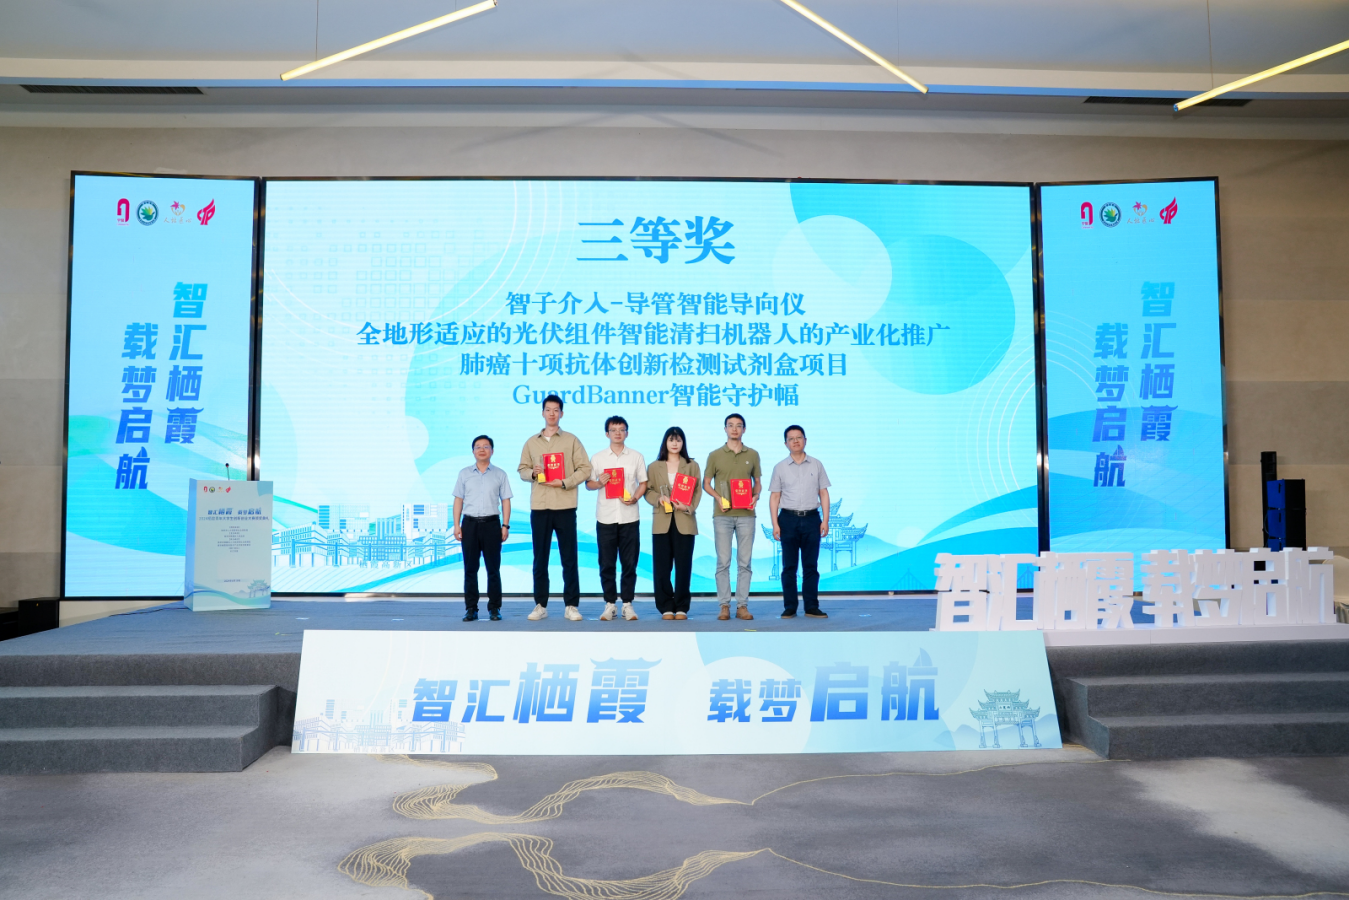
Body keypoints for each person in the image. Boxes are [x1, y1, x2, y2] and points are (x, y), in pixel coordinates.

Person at [516, 394, 591, 621]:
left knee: (569, 558)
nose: (552, 413)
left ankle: (571, 606)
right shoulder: (531, 442)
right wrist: (533, 473)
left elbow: (585, 469)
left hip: (565, 505)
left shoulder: (571, 440)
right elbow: (522, 470)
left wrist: (565, 482)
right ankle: (540, 605)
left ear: (561, 413)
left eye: (556, 410)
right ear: (542, 413)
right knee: (540, 559)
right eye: (548, 409)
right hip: (540, 507)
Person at [585, 415, 647, 621]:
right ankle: (610, 604)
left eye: (621, 429)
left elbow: (643, 483)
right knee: (606, 563)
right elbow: (589, 484)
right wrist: (599, 483)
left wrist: (635, 498)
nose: (618, 433)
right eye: (613, 430)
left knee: (630, 563)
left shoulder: (636, 456)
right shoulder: (598, 458)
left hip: (630, 517)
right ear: (607, 434)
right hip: (606, 517)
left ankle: (627, 604)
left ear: (627, 433)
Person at [702, 412, 762, 621]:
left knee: (745, 563)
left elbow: (757, 482)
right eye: (730, 425)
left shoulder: (752, 454)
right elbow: (706, 484)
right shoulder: (715, 455)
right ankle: (724, 605)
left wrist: (755, 496)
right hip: (722, 515)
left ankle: (742, 605)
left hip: (747, 515)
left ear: (744, 429)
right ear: (725, 429)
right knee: (723, 562)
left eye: (738, 425)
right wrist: (718, 498)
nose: (734, 429)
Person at [769, 425, 831, 619]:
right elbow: (774, 497)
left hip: (812, 518)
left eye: (799, 437)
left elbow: (823, 493)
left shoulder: (816, 464)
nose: (795, 441)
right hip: (788, 519)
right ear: (785, 443)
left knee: (810, 565)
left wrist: (825, 520)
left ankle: (811, 606)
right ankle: (790, 607)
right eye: (791, 438)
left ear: (805, 440)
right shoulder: (779, 467)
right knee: (789, 567)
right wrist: (775, 524)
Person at [452, 435, 513, 621]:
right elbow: (458, 500)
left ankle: (495, 608)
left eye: (486, 446)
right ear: (473, 451)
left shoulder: (500, 474)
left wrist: (505, 525)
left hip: (492, 525)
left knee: (493, 569)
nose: (482, 449)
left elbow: (506, 501)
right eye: (478, 446)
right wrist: (456, 525)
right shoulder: (464, 473)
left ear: (492, 451)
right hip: (469, 525)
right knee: (470, 569)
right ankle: (471, 608)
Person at [645, 426, 701, 620]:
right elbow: (648, 490)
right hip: (662, 521)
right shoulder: (654, 466)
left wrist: (687, 507)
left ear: (683, 442)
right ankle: (666, 606)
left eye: (678, 440)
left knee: (683, 567)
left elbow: (697, 491)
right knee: (662, 567)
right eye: (671, 440)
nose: (675, 443)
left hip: (684, 520)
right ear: (665, 442)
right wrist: (658, 498)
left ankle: (682, 606)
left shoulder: (691, 465)